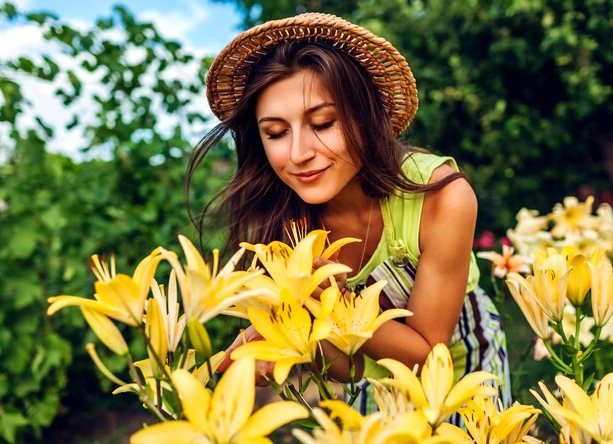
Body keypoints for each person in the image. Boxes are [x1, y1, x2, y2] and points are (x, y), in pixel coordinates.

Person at [188, 12, 511, 420]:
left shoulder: (442, 196)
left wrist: (332, 303)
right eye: (275, 133)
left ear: (365, 117)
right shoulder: (285, 226)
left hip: (466, 366)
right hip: (377, 387)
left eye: (323, 122)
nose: (298, 154)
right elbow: (351, 368)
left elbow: (429, 355)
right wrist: (289, 337)